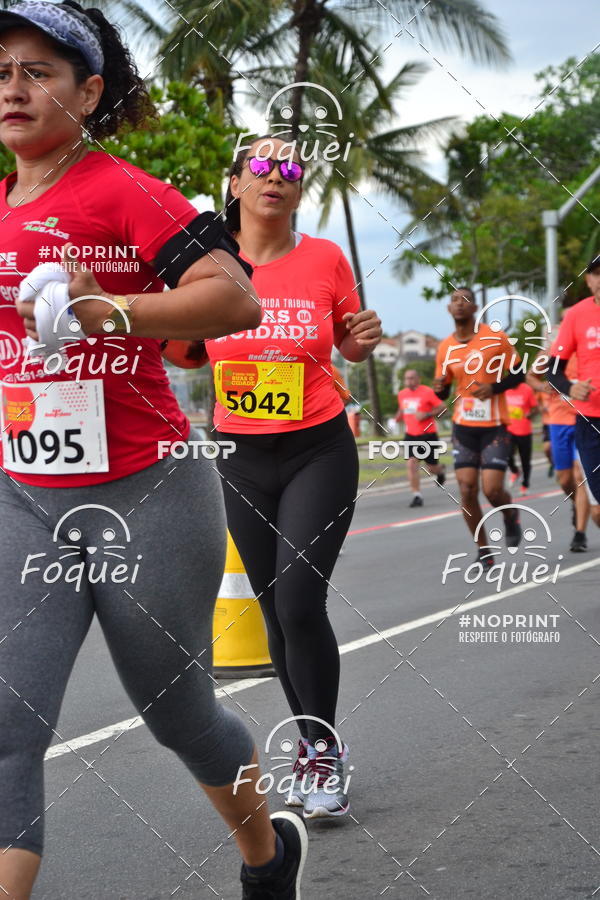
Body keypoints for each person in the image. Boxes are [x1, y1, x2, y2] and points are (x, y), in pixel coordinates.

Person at [0, 5, 307, 899]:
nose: (13, 87)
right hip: (24, 494)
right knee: (8, 725)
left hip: (148, 493)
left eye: (38, 70)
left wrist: (115, 311)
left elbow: (234, 300)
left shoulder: (124, 191)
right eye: (0, 70)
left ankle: (266, 856)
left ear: (88, 92)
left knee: (178, 713)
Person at [204, 135, 382, 819]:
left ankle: (325, 754)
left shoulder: (325, 259)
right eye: (261, 164)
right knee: (277, 612)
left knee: (302, 603)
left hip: (318, 449)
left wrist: (362, 338)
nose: (276, 176)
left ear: (299, 189)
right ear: (236, 182)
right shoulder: (209, 264)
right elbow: (189, 351)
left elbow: (350, 339)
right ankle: (313, 745)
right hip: (240, 455)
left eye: (291, 168)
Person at [433, 287, 523, 564]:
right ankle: (484, 549)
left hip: (495, 425)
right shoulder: (445, 347)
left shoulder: (495, 338)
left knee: (492, 490)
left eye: (465, 300)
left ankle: (510, 515)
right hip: (464, 425)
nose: (459, 304)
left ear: (475, 308)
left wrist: (494, 387)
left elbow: (519, 374)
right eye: (454, 300)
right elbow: (444, 390)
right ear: (449, 309)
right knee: (467, 488)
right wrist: (438, 389)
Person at [527, 296, 590, 552]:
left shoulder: (588, 350)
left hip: (584, 419)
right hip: (557, 421)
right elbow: (530, 376)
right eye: (564, 321)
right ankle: (577, 505)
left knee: (579, 475)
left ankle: (580, 533)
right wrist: (543, 385)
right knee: (565, 479)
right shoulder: (551, 353)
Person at [548, 255, 600, 532]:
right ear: (589, 280)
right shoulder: (577, 316)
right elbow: (552, 370)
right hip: (590, 421)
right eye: (597, 274)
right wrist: (571, 387)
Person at [395, 368, 447, 507]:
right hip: (411, 435)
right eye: (406, 378)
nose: (408, 381)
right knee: (411, 464)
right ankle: (417, 495)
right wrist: (398, 415)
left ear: (418, 379)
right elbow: (402, 408)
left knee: (432, 468)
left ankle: (440, 471)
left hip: (428, 435)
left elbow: (443, 407)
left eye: (412, 378)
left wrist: (427, 414)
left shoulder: (427, 392)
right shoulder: (402, 394)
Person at [505, 380, 537, 495]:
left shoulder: (527, 389)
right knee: (507, 455)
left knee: (525, 460)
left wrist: (530, 414)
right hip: (509, 429)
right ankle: (514, 471)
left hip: (524, 430)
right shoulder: (505, 388)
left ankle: (525, 484)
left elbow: (535, 408)